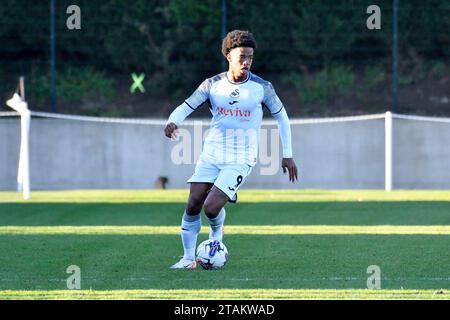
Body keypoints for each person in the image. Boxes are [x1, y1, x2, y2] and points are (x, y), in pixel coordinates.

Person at [164, 30, 298, 269]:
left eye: (250, 57)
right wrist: (172, 121)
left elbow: (282, 117)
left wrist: (287, 154)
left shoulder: (261, 87)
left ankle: (215, 238)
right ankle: (187, 258)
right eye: (241, 57)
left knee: (211, 206)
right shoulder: (212, 85)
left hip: (241, 157)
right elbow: (186, 106)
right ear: (228, 56)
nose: (246, 62)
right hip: (212, 153)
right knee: (194, 203)